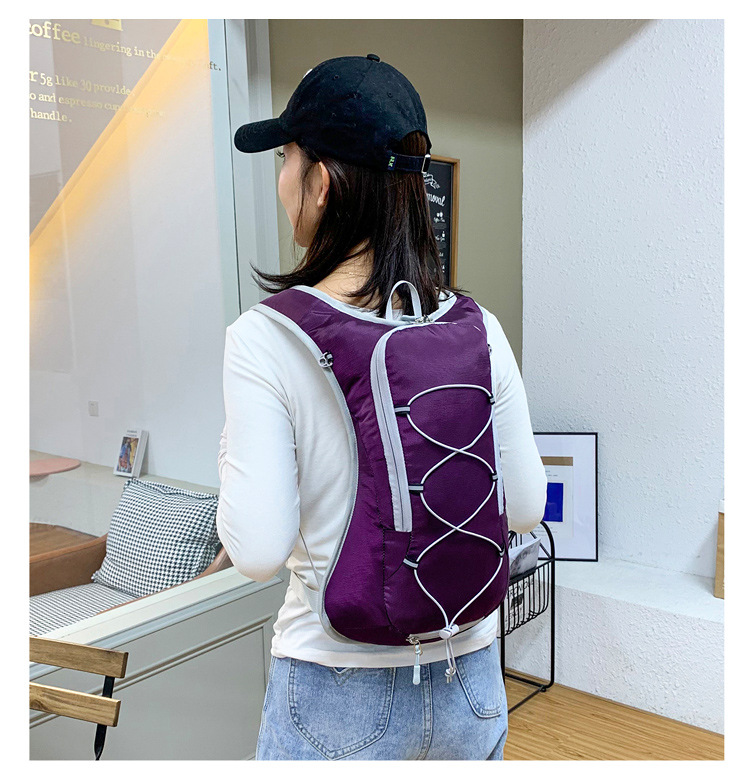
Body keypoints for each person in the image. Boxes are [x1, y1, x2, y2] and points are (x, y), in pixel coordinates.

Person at [217, 54, 548, 761]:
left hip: (334, 689)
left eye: (285, 157)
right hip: (470, 678)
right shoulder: (476, 325)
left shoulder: (265, 337)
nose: (281, 179)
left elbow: (256, 550)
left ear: (321, 183)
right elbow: (524, 508)